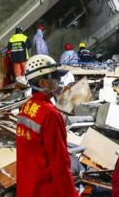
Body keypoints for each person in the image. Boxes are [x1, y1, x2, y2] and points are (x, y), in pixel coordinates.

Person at [16, 54, 77, 197]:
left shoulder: (26, 107)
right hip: (45, 189)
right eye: (55, 77)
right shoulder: (50, 114)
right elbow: (59, 163)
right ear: (43, 83)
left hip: (28, 187)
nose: (59, 81)